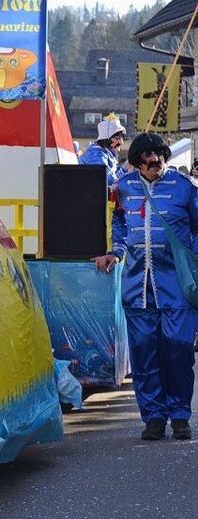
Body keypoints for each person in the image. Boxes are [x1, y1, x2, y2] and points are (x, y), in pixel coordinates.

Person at [94, 132, 198, 441]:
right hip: (137, 285)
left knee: (178, 349)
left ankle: (179, 415)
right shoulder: (124, 189)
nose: (155, 162)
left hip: (177, 284)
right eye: (148, 158)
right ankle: (153, 417)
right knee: (144, 352)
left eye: (159, 156)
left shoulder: (185, 188)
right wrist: (115, 252)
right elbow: (121, 226)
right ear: (138, 161)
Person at [79, 114, 128, 188]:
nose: (121, 142)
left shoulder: (105, 152)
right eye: (117, 137)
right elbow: (109, 181)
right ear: (106, 138)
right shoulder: (96, 154)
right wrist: (127, 166)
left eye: (122, 137)